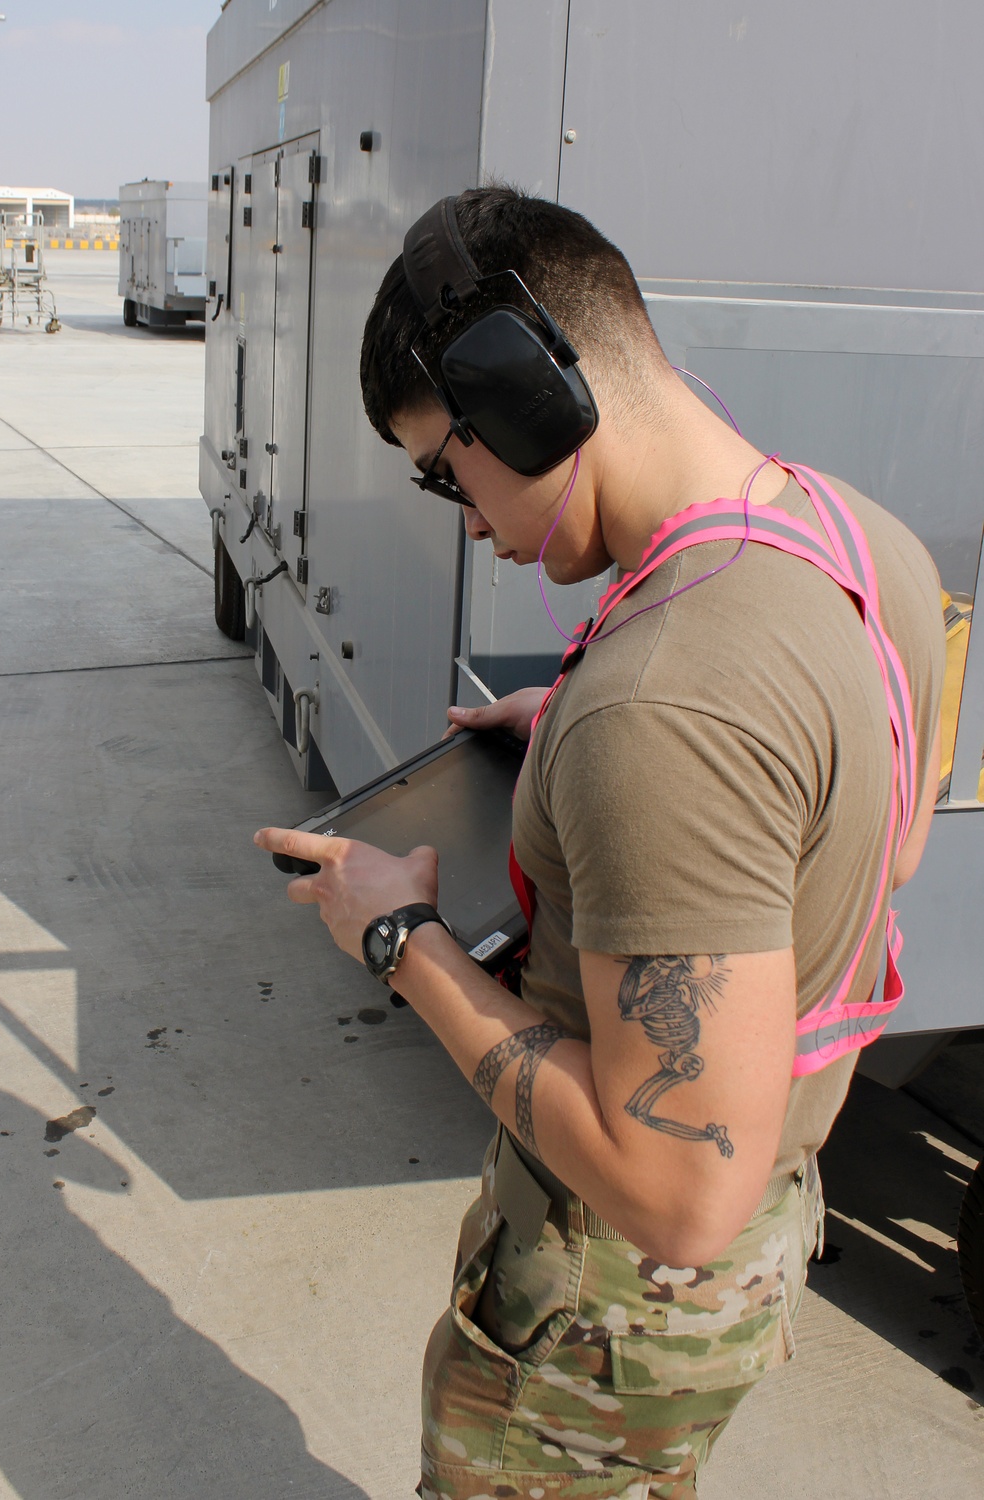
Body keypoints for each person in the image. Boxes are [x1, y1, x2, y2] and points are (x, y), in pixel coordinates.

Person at [254, 186, 945, 1499]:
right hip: (755, 1250)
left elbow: (673, 1190)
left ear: (526, 401)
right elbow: (882, 851)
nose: (462, 516)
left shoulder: (660, 707)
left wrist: (400, 935)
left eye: (444, 467)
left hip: (602, 1308)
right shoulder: (858, 538)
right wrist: (590, 735)